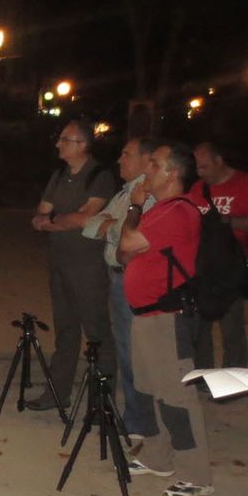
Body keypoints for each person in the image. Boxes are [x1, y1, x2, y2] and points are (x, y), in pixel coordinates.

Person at [119, 141, 213, 496]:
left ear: (173, 174)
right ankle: (158, 457)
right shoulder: (161, 210)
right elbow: (124, 253)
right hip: (146, 316)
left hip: (167, 318)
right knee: (149, 391)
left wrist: (134, 206)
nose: (147, 170)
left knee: (176, 397)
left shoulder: (177, 211)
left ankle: (196, 474)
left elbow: (127, 243)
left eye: (155, 164)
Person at [31, 120, 117, 409]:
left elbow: (86, 218)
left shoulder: (99, 176)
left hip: (88, 266)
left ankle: (102, 399)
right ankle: (57, 393)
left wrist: (53, 221)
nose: (58, 144)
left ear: (82, 144)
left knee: (97, 332)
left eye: (64, 140)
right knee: (65, 331)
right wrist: (62, 221)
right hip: (59, 262)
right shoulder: (59, 175)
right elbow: (40, 215)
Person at [81, 137, 158, 445]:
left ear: (146, 160)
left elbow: (132, 235)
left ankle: (139, 423)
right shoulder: (126, 192)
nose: (119, 160)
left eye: (127, 154)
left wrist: (112, 225)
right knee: (127, 350)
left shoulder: (146, 194)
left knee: (134, 354)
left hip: (133, 279)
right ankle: (136, 417)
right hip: (117, 278)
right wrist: (114, 224)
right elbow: (91, 225)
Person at [188, 141, 248, 369]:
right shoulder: (198, 188)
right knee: (199, 327)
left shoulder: (245, 184)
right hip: (202, 265)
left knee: (231, 328)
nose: (200, 172)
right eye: (197, 167)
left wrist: (225, 221)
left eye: (204, 166)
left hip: (231, 266)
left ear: (219, 160)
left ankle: (233, 377)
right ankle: (203, 376)